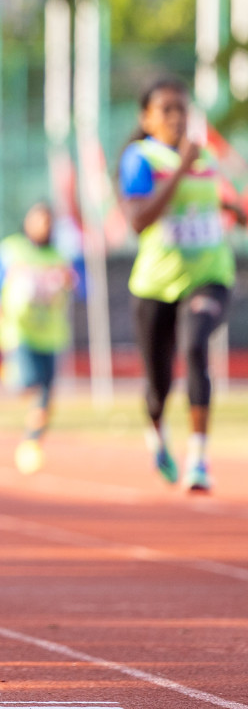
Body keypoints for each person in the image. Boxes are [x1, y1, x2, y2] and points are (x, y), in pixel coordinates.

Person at [117, 76, 243, 494]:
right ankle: (157, 434)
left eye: (181, 109)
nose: (175, 117)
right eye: (166, 110)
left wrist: (236, 211)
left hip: (208, 277)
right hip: (155, 286)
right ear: (147, 118)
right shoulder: (140, 160)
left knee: (194, 347)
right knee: (158, 387)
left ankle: (199, 459)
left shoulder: (205, 158)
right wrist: (181, 170)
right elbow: (138, 221)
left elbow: (218, 201)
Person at [0, 201, 83, 475]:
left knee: (46, 396)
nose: (43, 227)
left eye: (48, 222)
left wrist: (73, 281)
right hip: (18, 331)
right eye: (38, 221)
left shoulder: (62, 255)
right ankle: (12, 370)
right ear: (28, 223)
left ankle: (31, 442)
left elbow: (84, 286)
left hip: (51, 334)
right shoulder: (12, 250)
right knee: (27, 382)